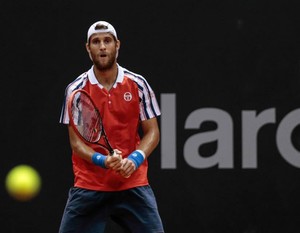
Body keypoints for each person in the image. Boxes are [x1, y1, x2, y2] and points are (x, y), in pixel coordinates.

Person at [58, 20, 164, 233]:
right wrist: (103, 160)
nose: (102, 46)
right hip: (89, 186)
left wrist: (134, 159)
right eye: (96, 42)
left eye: (107, 41)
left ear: (117, 45)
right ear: (88, 48)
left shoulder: (138, 84)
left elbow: (152, 132)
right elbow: (76, 143)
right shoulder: (75, 90)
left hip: (132, 184)